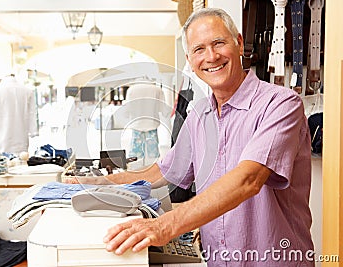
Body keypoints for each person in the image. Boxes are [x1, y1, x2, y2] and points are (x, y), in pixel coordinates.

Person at [65, 8, 314, 266]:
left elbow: (248, 180)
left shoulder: (282, 104)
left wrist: (164, 226)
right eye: (199, 49)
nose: (211, 57)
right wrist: (103, 182)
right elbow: (163, 171)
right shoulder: (200, 115)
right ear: (189, 59)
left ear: (239, 44)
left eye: (219, 43)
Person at [123, 80, 169, 164]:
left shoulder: (132, 89)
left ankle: (136, 171)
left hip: (136, 124)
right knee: (153, 155)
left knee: (135, 156)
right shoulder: (157, 89)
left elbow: (127, 108)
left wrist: (126, 114)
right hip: (152, 123)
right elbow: (163, 108)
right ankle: (152, 172)